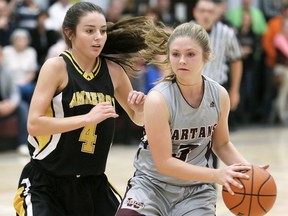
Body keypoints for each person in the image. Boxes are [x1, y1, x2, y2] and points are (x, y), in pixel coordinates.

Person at [13, 2, 155, 215]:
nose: (98, 37)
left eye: (103, 30)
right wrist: (86, 119)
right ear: (70, 33)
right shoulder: (56, 68)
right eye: (90, 31)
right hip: (46, 184)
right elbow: (34, 124)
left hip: (93, 184)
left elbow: (138, 119)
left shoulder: (113, 71)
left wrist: (141, 109)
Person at [116, 22, 255, 216]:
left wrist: (249, 172)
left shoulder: (219, 95)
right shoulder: (158, 99)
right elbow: (164, 162)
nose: (182, 61)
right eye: (175, 54)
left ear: (206, 56)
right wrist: (216, 175)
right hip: (152, 186)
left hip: (195, 191)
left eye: (190, 54)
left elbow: (222, 144)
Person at [0, 45, 29, 155]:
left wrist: (11, 104)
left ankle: (22, 144)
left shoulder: (6, 71)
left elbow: (15, 93)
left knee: (23, 107)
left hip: (7, 105)